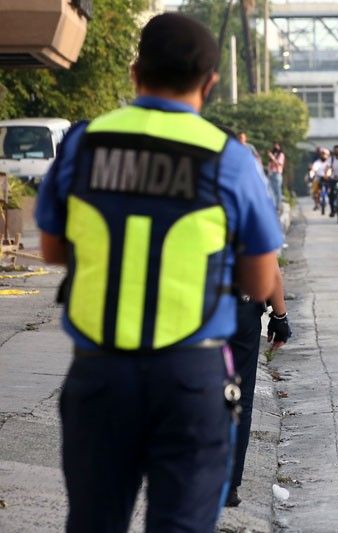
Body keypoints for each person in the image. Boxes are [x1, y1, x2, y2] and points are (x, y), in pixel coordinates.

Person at [35, 13, 284, 532]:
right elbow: (261, 283)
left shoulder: (84, 143)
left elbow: (53, 249)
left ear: (135, 72)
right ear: (210, 83)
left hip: (99, 374)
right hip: (190, 379)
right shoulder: (229, 158)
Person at [226, 274, 292, 507]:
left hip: (186, 310)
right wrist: (280, 316)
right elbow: (269, 268)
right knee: (238, 397)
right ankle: (228, 486)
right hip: (239, 307)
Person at [310, 148, 331, 212]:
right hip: (318, 178)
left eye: (325, 154)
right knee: (314, 191)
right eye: (322, 154)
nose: (324, 155)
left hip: (328, 178)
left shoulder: (330, 162)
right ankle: (316, 204)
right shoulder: (317, 163)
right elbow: (313, 170)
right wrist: (312, 175)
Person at [267, 142, 286, 208]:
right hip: (271, 173)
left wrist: (272, 157)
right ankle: (273, 205)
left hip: (277, 173)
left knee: (277, 190)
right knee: (271, 190)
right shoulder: (273, 154)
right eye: (275, 145)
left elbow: (279, 164)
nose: (276, 147)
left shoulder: (281, 155)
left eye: (277, 146)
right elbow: (270, 164)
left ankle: (278, 206)